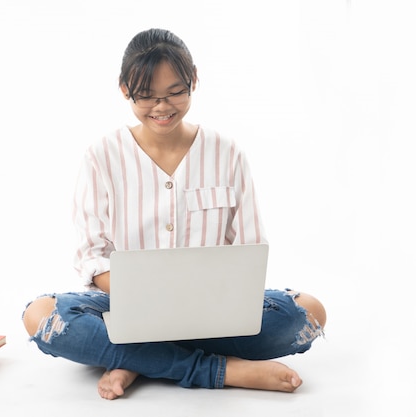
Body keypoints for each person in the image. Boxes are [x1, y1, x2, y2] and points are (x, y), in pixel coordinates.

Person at [22, 28, 326, 400]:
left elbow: (249, 247)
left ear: (194, 80)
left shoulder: (226, 152)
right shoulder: (102, 156)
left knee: (308, 313)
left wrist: (210, 300)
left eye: (175, 93)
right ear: (124, 90)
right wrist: (148, 301)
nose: (162, 108)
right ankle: (219, 369)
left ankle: (137, 360)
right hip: (129, 309)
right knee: (41, 315)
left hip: (215, 312)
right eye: (146, 97)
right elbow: (92, 255)